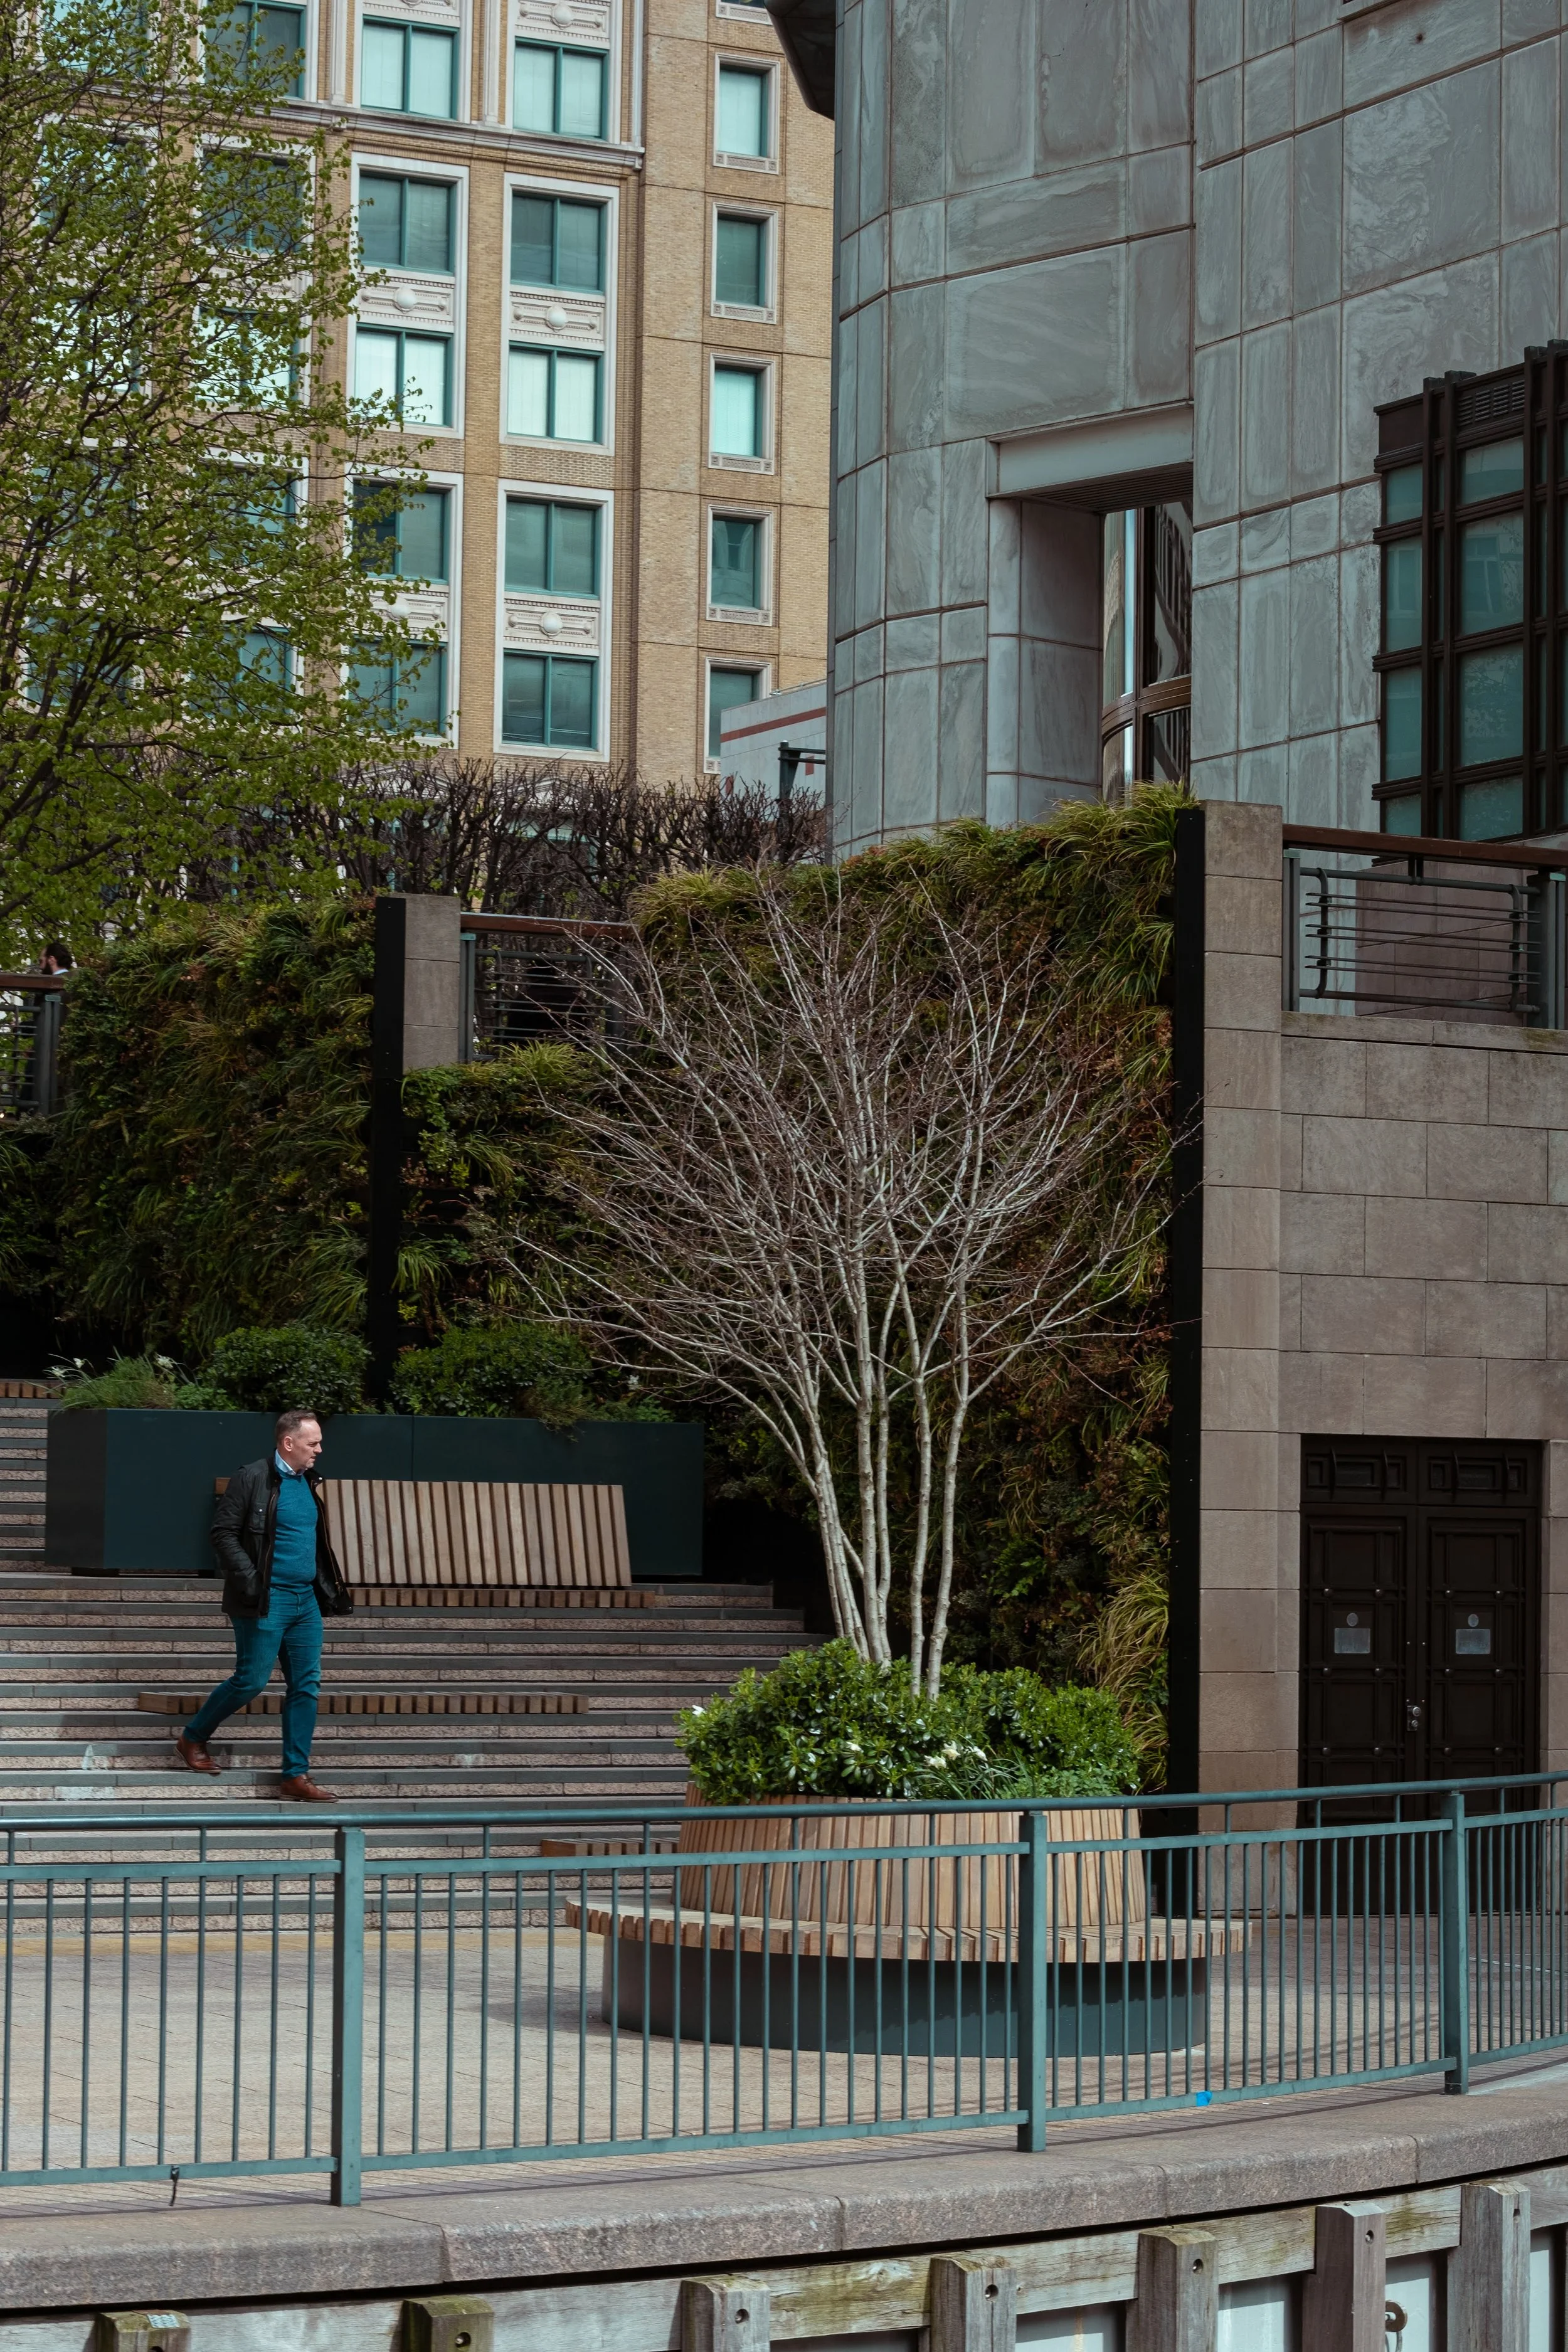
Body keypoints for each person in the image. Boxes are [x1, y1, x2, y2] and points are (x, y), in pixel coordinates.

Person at [175, 1407, 353, 1801]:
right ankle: (193, 1738)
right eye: (313, 1443)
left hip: (305, 1601)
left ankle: (296, 1775)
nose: (320, 1450)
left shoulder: (309, 1482)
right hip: (265, 1599)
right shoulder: (252, 1478)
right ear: (289, 1443)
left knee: (306, 1685)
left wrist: (325, 1586)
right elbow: (223, 1534)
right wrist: (253, 1581)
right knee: (251, 1680)